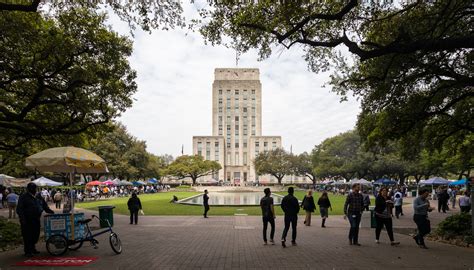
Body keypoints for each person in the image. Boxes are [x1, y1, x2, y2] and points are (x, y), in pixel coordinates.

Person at [16, 183, 54, 257]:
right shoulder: (23, 197)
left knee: (35, 235)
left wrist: (51, 212)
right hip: (27, 220)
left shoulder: (38, 197)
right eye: (31, 188)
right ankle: (28, 251)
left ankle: (33, 248)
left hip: (36, 219)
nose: (33, 189)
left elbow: (44, 206)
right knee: (27, 236)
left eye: (34, 188)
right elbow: (19, 209)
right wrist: (22, 219)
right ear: (28, 189)